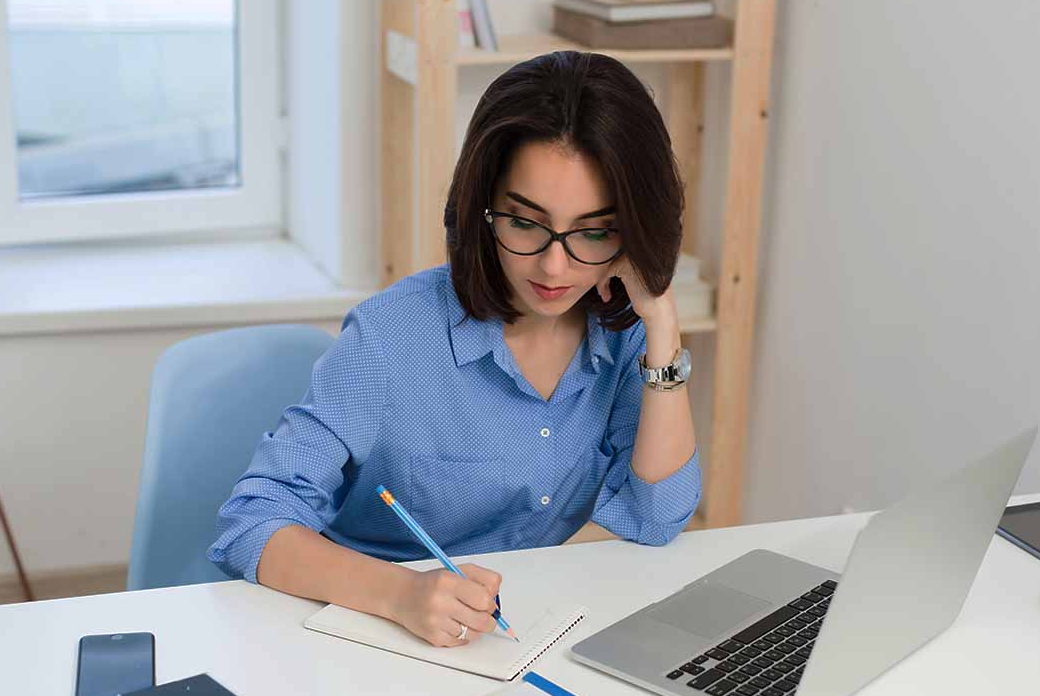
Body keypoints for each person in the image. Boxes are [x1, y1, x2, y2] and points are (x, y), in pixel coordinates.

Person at [209, 50, 701, 648]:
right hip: (373, 640)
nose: (555, 266)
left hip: (519, 642)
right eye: (525, 223)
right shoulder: (393, 335)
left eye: (595, 232)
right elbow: (252, 523)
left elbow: (656, 515)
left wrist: (663, 325)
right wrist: (401, 594)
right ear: (482, 210)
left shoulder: (625, 335)